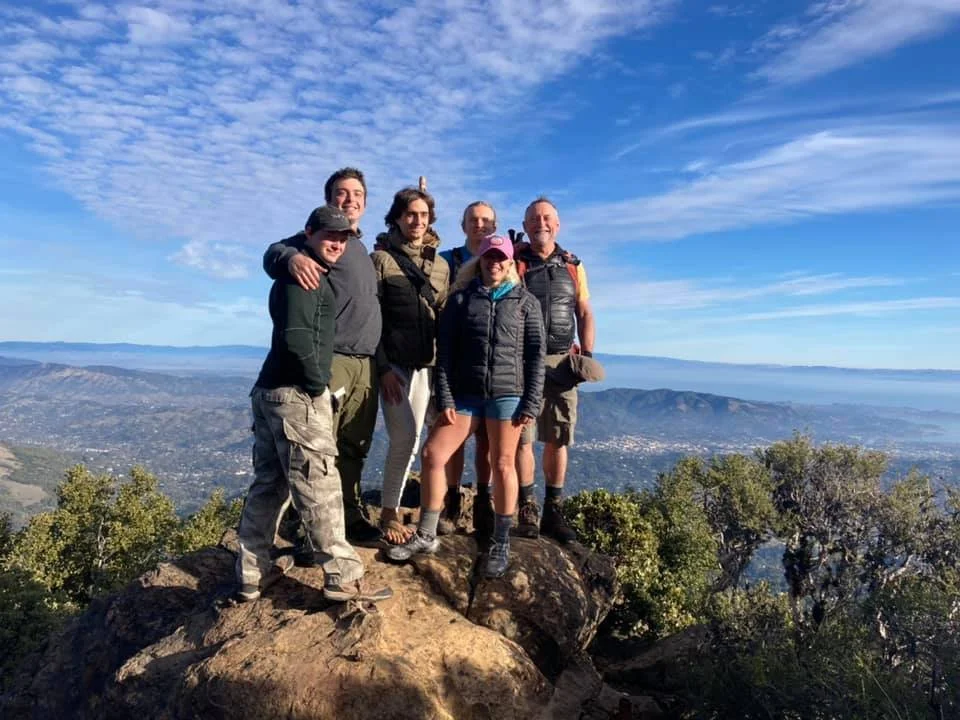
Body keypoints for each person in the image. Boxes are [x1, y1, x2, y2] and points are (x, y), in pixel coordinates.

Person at [237, 206, 384, 603]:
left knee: (270, 483)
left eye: (344, 238)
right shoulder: (304, 277)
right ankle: (342, 576)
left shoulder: (299, 271)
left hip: (268, 389)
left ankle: (253, 571)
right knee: (319, 483)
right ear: (308, 234)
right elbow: (299, 339)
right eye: (329, 236)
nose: (337, 243)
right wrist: (318, 386)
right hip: (297, 395)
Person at [388, 234, 545, 578]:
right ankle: (427, 532)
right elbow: (445, 356)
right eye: (489, 256)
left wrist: (532, 400)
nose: (495, 263)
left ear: (509, 262)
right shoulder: (460, 301)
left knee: (503, 463)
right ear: (480, 260)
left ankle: (501, 540)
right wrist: (444, 396)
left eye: (501, 257)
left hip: (508, 395)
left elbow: (536, 356)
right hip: (464, 395)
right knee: (433, 454)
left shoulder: (525, 303)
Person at [263, 168, 383, 544]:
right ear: (329, 198)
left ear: (365, 201)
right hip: (332, 358)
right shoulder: (310, 241)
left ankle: (347, 516)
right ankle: (307, 531)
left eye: (357, 193)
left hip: (366, 363)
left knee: (352, 445)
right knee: (319, 450)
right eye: (342, 193)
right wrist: (289, 259)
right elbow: (271, 254)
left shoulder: (356, 245)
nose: (350, 199)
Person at [513, 197, 596, 543]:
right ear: (526, 224)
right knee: (523, 437)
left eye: (547, 218)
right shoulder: (514, 262)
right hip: (521, 360)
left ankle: (553, 509)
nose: (541, 224)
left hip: (563, 360)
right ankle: (528, 507)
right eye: (534, 219)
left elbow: (585, 312)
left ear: (557, 225)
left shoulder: (574, 266)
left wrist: (586, 356)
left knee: (558, 438)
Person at [371, 187, 450, 544]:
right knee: (403, 436)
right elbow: (372, 319)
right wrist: (383, 366)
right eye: (410, 215)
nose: (417, 221)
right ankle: (389, 514)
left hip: (426, 364)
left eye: (423, 215)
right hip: (394, 366)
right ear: (397, 218)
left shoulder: (441, 264)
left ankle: (395, 507)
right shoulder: (381, 259)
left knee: (413, 439)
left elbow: (444, 316)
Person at [436, 201, 497, 539]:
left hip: (488, 367)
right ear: (463, 225)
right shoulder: (446, 261)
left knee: (487, 439)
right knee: (453, 435)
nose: (479, 225)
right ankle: (452, 497)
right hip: (454, 361)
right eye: (473, 220)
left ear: (495, 226)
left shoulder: (502, 262)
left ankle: (484, 499)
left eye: (486, 220)